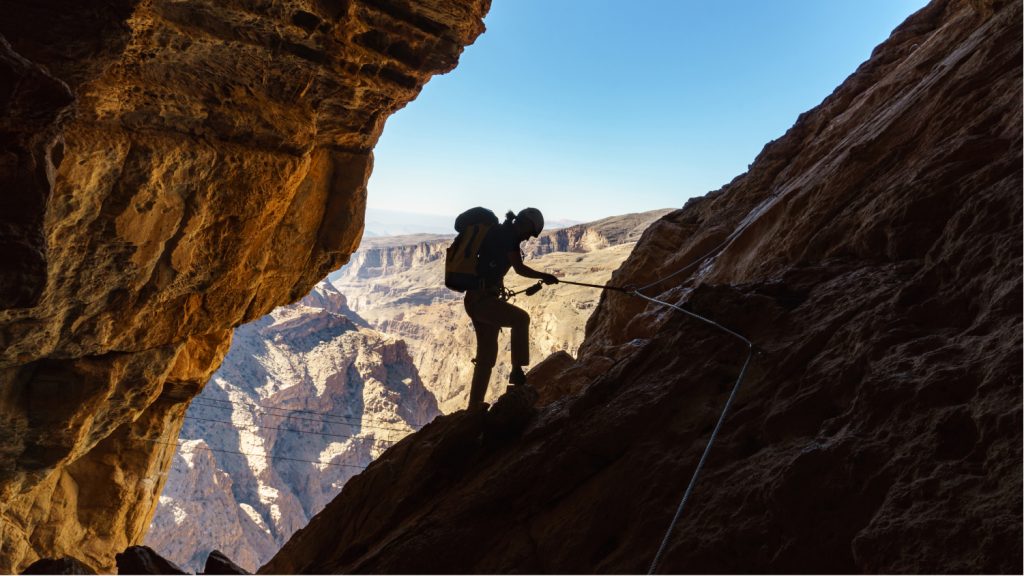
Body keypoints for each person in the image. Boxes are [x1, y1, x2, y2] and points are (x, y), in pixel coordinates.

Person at [465, 207, 558, 409]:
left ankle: (474, 406)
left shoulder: (501, 231)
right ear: (524, 223)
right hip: (483, 301)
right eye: (529, 233)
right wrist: (545, 276)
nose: (527, 238)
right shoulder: (508, 236)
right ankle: (517, 371)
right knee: (521, 319)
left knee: (487, 356)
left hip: (477, 300)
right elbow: (520, 268)